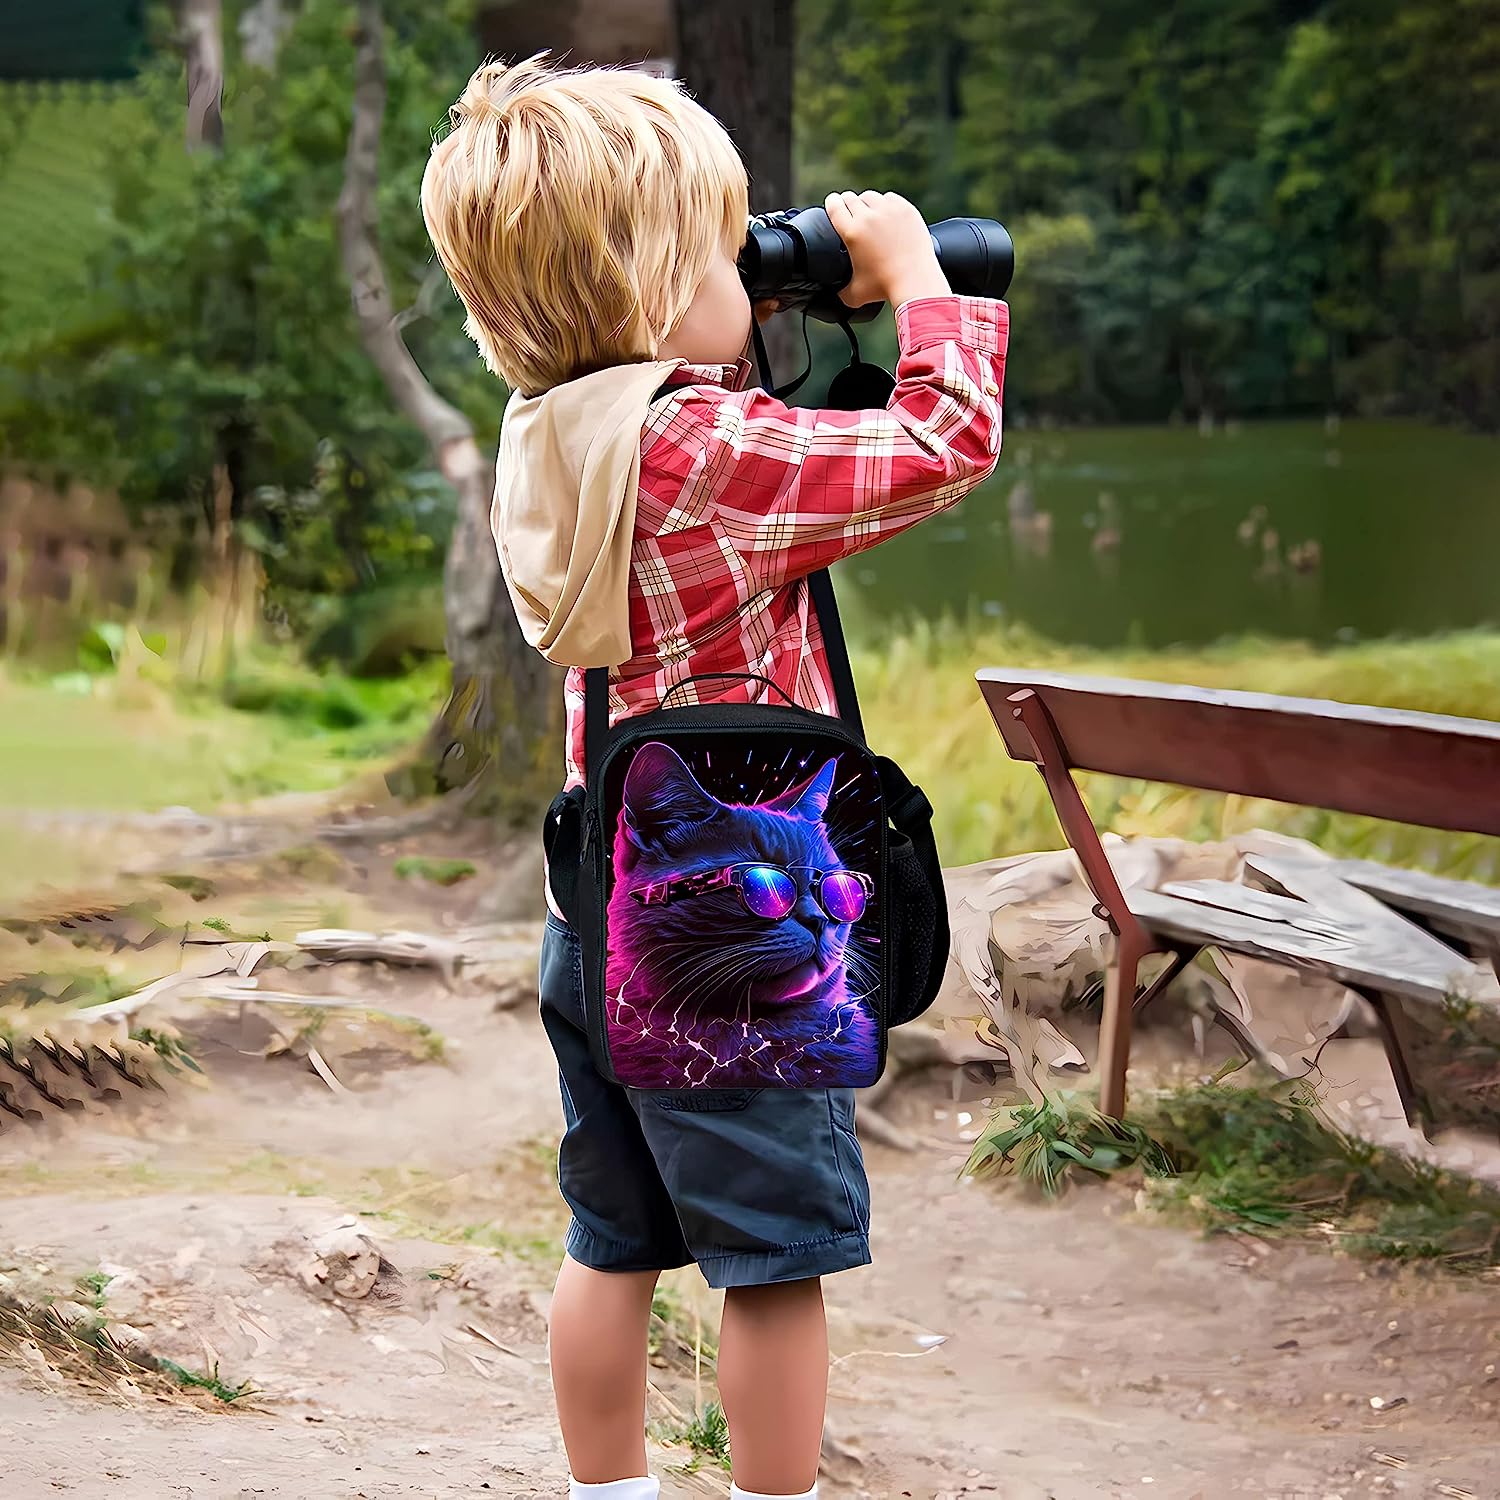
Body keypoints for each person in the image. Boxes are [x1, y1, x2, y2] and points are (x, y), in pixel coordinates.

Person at [421, 56, 1007, 1500]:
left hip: (597, 901)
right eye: (721, 252)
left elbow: (722, 423)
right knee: (774, 1264)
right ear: (653, 282)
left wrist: (787, 320)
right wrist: (924, 284)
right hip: (733, 934)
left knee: (609, 1239)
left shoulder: (559, 431)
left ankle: (605, 1492)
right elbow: (948, 442)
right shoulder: (703, 449)